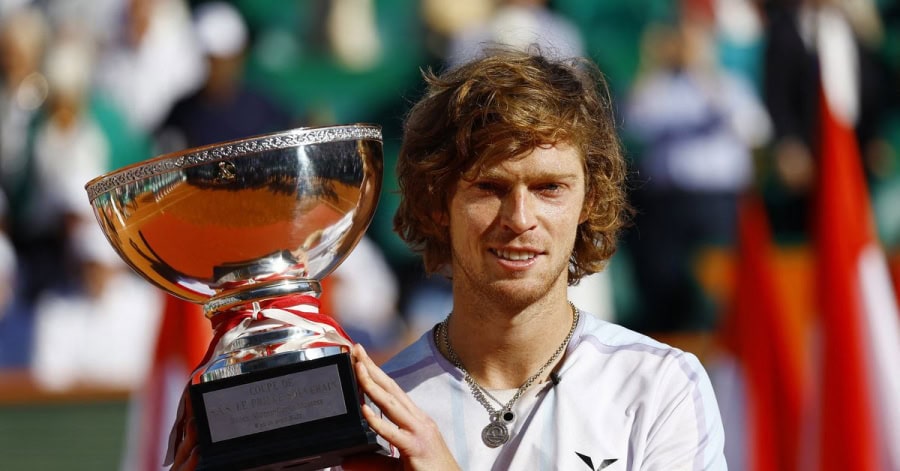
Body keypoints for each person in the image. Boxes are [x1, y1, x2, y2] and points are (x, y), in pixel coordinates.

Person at [172, 48, 726, 470]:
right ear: (437, 204)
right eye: (489, 186)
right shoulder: (373, 414)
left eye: (550, 188)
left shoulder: (659, 385)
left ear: (590, 201)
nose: (519, 217)